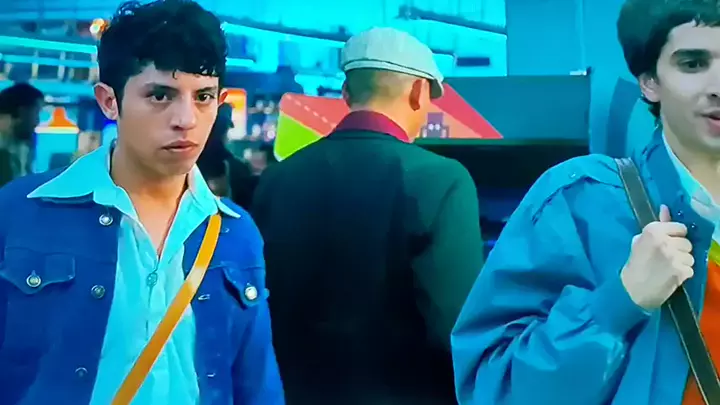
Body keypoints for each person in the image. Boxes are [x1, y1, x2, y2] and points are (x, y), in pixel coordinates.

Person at [0, 1, 283, 404]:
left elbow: (256, 385)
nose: (186, 119)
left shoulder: (235, 234)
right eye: (160, 95)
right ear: (109, 101)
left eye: (203, 97)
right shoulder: (21, 213)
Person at [451, 1, 720, 404]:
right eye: (693, 63)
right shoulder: (582, 200)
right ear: (650, 82)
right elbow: (495, 386)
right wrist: (621, 300)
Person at [252, 27, 484, 404]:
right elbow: (455, 325)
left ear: (346, 93)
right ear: (418, 92)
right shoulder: (441, 179)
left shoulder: (278, 179)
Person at [0, 82, 44, 183]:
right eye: (36, 113)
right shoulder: (4, 158)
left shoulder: (15, 152)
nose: (37, 122)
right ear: (23, 112)